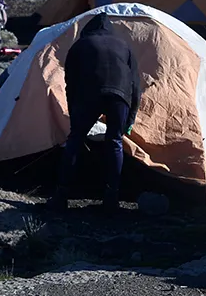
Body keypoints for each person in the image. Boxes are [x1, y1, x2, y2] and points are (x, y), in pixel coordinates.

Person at [52, 13, 142, 212]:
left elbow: (70, 83)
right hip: (120, 96)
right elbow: (136, 85)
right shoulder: (124, 46)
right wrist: (130, 119)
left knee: (75, 140)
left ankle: (61, 195)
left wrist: (73, 112)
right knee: (115, 141)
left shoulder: (80, 45)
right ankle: (111, 199)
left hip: (88, 95)